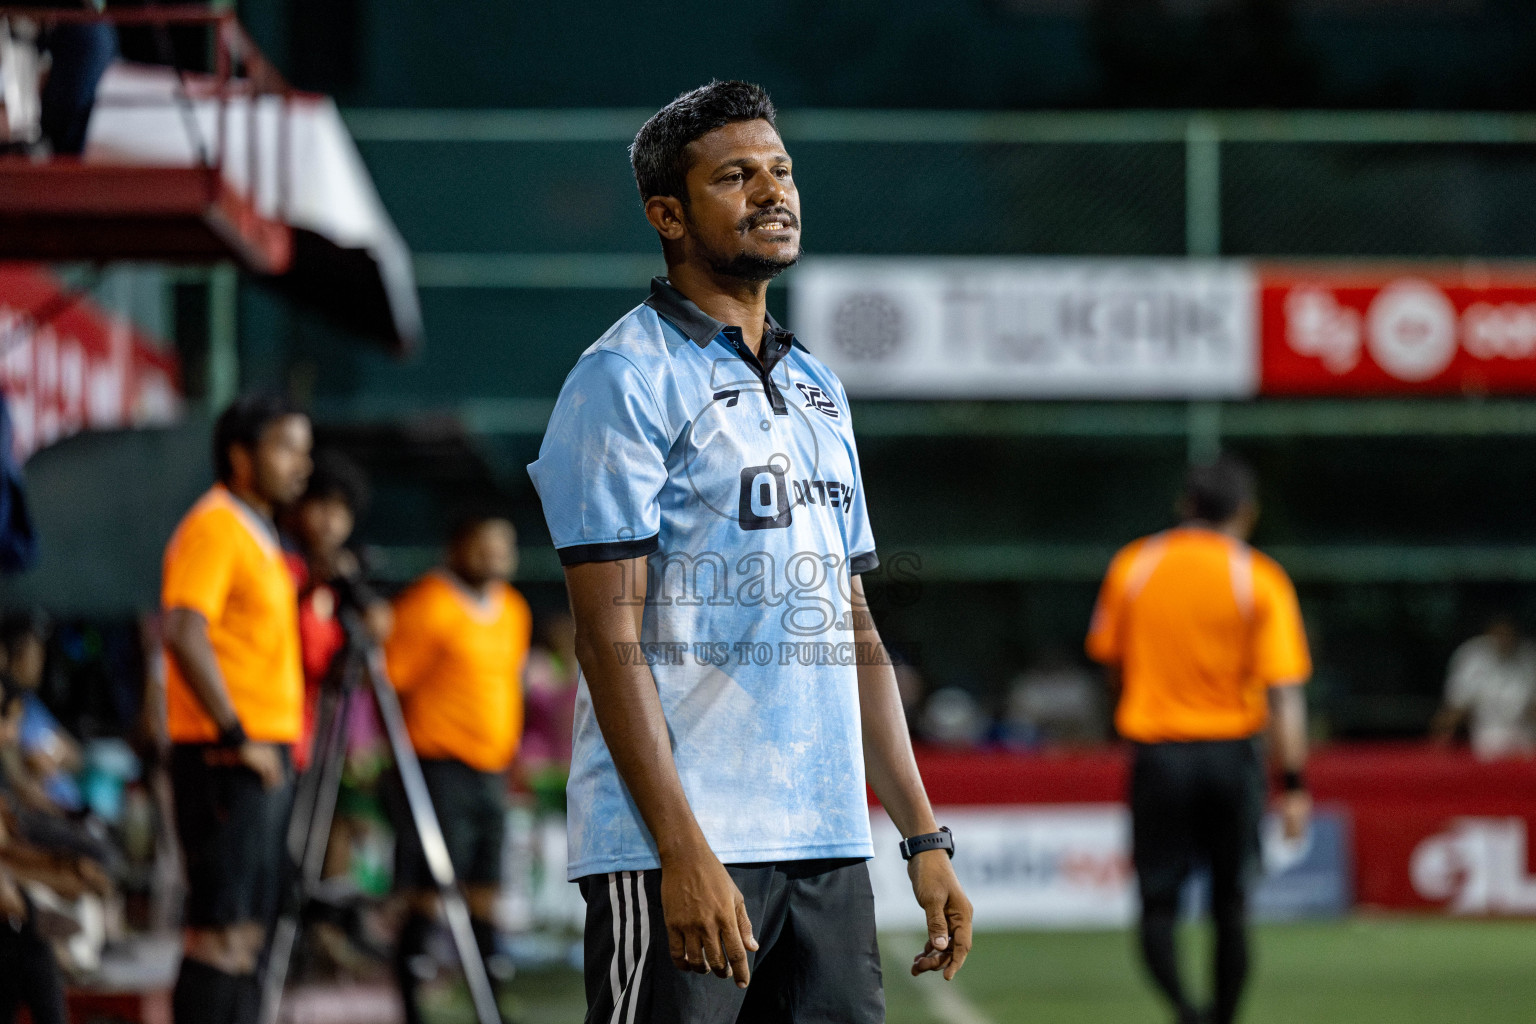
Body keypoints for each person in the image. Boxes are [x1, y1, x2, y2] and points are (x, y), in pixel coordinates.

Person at [527, 80, 972, 1024]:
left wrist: (922, 835)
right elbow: (608, 640)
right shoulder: (623, 379)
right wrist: (683, 853)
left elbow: (849, 627)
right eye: (735, 176)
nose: (773, 192)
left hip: (826, 845)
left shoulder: (819, 389)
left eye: (781, 171)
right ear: (668, 214)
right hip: (675, 851)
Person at [1086, 454, 1311, 1024]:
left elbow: (1110, 664)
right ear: (1247, 512)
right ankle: (1222, 1018)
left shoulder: (1133, 566)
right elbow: (1285, 694)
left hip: (1159, 754)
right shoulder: (1258, 577)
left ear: (1185, 506)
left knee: (1157, 902)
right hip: (1232, 755)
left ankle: (1185, 1013)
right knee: (1231, 904)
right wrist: (1293, 783)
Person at [160, 394, 312, 1024]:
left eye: (305, 450)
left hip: (260, 752)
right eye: (285, 447)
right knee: (219, 936)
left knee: (247, 936)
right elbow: (182, 628)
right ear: (240, 456)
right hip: (226, 754)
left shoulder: (260, 533)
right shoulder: (216, 525)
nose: (301, 464)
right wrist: (236, 732)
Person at [383, 515, 531, 1024]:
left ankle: (491, 1006)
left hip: (492, 770)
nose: (494, 555)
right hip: (438, 767)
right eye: (483, 544)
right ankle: (413, 1006)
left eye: (503, 545)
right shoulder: (427, 605)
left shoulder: (513, 609)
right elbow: (388, 681)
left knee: (488, 889)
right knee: (429, 892)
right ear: (458, 546)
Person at [1430, 615, 1536, 759]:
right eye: (1500, 635)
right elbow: (1456, 708)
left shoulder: (1529, 658)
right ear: (1489, 634)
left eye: (1508, 635)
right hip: (1486, 747)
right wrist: (1440, 740)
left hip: (1525, 745)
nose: (1504, 640)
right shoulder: (1472, 657)